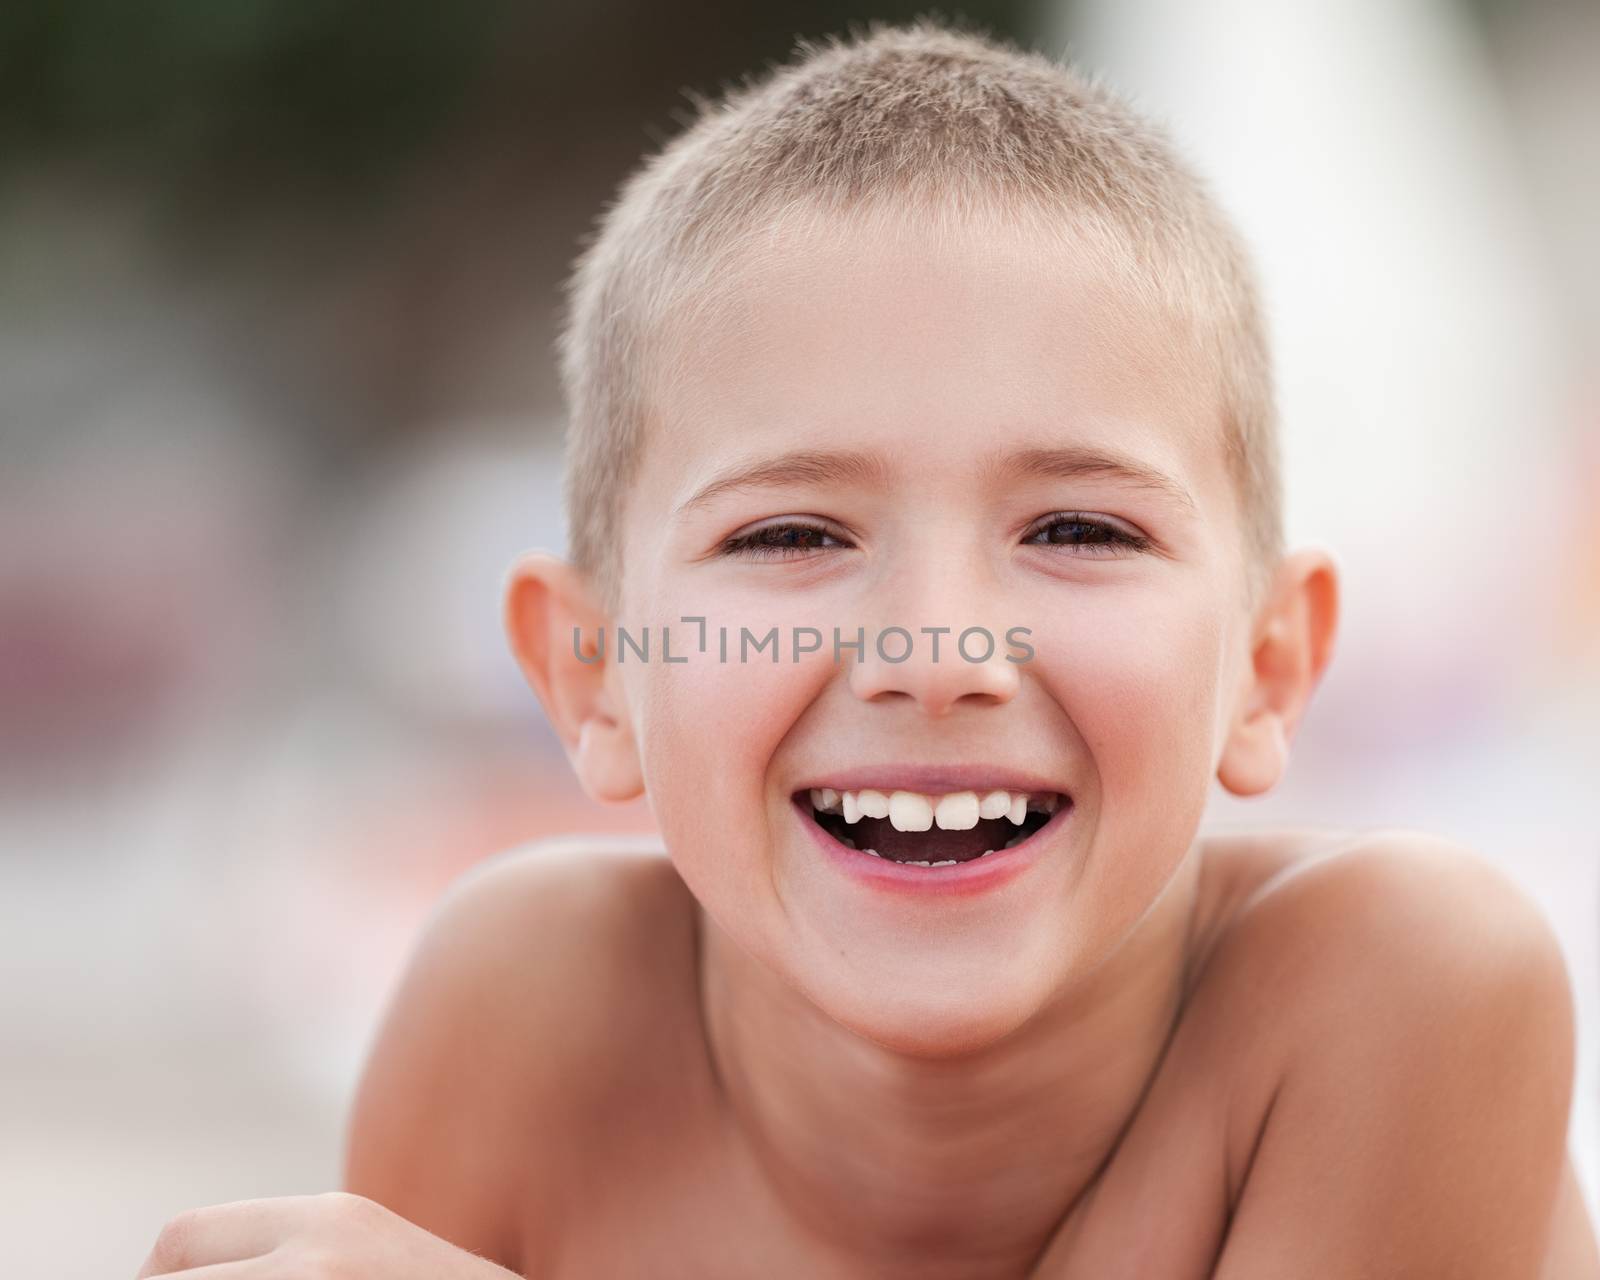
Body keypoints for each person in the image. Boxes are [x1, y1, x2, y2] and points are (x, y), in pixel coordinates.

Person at [134, 16, 1599, 1278]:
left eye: (1081, 532)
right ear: (592, 676)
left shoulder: (1405, 978)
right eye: (789, 536)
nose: (934, 650)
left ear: (1270, 665)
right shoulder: (526, 1008)